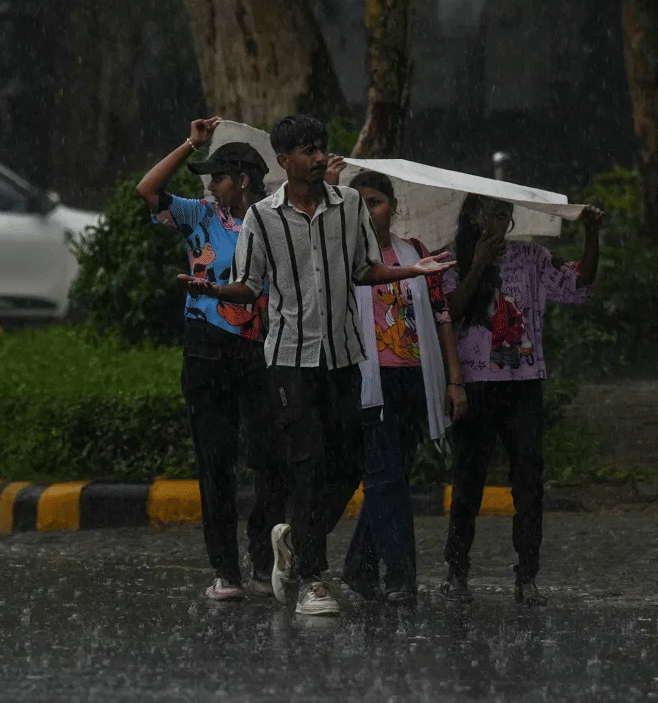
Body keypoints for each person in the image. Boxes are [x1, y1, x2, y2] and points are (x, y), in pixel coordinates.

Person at [177, 114, 454, 616]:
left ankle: (297, 539)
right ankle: (313, 581)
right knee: (307, 461)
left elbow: (364, 269)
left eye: (322, 147)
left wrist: (413, 270)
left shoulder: (349, 205)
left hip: (344, 355)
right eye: (308, 150)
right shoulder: (262, 217)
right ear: (284, 161)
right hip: (290, 359)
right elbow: (250, 285)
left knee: (349, 462)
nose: (320, 157)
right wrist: (213, 290)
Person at [134, 116, 289, 602]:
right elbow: (147, 190)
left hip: (260, 350)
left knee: (270, 459)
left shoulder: (275, 221)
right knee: (215, 460)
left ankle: (262, 561)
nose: (210, 186)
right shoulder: (200, 215)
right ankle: (226, 571)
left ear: (242, 180)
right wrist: (190, 143)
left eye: (218, 177)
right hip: (205, 349)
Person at [439, 194, 602, 607]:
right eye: (491, 213)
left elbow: (578, 282)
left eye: (505, 214)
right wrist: (478, 263)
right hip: (475, 383)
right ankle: (456, 570)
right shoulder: (451, 259)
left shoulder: (531, 257)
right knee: (468, 482)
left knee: (529, 482)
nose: (498, 222)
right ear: (473, 218)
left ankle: (527, 575)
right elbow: (450, 310)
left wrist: (591, 234)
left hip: (523, 382)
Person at [332, 170, 469, 606]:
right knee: (385, 476)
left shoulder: (415, 253)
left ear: (392, 206)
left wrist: (454, 379)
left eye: (376, 202)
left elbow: (442, 315)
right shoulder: (341, 254)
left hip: (415, 377)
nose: (368, 211)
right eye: (359, 203)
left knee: (392, 476)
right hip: (368, 380)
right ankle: (400, 577)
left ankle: (359, 566)